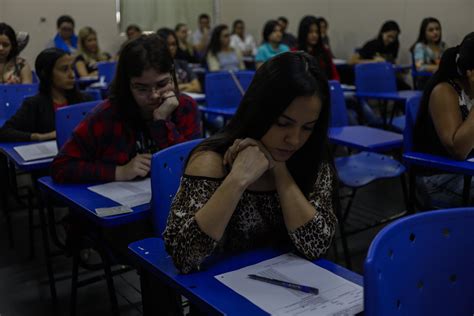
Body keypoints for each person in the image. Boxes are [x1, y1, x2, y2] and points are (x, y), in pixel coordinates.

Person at [163, 51, 338, 274]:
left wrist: (279, 169)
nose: (294, 140)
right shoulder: (211, 162)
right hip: (219, 294)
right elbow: (183, 256)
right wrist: (237, 180)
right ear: (259, 112)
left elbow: (317, 246)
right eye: (283, 123)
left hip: (289, 289)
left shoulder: (311, 158)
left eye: (307, 127)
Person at [51, 34, 201, 183]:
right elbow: (61, 166)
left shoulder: (185, 106)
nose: (154, 95)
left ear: (172, 74)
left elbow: (194, 166)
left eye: (162, 84)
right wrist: (119, 172)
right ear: (127, 85)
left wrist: (161, 122)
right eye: (141, 88)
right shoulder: (107, 114)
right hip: (123, 200)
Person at [413, 32, 474, 207]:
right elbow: (459, 150)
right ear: (470, 72)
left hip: (466, 172)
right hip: (438, 178)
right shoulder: (444, 91)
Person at [0, 48, 88, 142]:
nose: (72, 75)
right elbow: (4, 132)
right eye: (64, 69)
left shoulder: (84, 100)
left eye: (72, 68)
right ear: (46, 73)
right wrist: (39, 137)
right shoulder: (34, 104)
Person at [157, 28, 201, 93]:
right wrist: (188, 85)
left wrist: (177, 88)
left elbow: (197, 87)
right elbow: (163, 90)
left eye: (173, 44)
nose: (171, 48)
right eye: (167, 44)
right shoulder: (155, 68)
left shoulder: (183, 64)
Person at [297, 15, 339, 81]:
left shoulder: (325, 52)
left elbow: (335, 77)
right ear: (303, 33)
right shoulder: (295, 53)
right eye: (310, 32)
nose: (314, 35)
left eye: (317, 32)